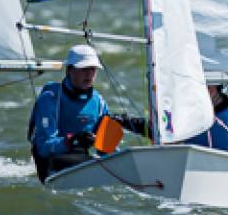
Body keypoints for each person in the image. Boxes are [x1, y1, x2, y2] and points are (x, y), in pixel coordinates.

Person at [28, 45, 147, 181]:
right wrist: (73, 140)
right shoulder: (50, 98)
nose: (89, 74)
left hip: (80, 161)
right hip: (50, 165)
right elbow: (43, 148)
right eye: (84, 69)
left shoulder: (98, 101)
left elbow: (106, 149)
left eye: (93, 69)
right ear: (69, 70)